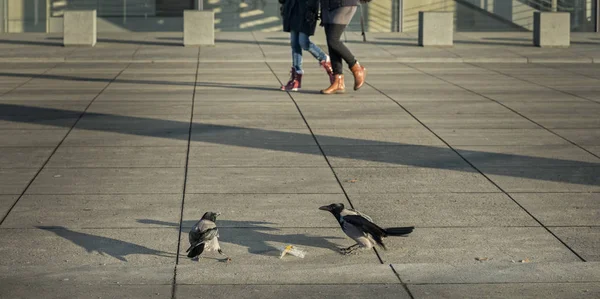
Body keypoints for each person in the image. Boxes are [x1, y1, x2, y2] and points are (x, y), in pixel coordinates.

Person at [279, 0, 335, 91]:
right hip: (292, 9)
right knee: (294, 43)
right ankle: (296, 77)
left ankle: (324, 58)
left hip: (307, 11)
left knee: (303, 42)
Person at [319, 0, 367, 94]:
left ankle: (356, 67)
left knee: (333, 40)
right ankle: (338, 81)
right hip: (327, 4)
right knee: (330, 41)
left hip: (344, 3)